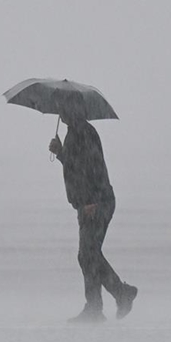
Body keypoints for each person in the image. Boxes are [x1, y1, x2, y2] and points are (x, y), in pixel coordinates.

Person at [48, 111, 138, 322]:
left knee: (88, 254)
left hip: (97, 203)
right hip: (87, 203)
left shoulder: (84, 132)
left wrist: (93, 200)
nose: (61, 112)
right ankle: (103, 303)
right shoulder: (74, 132)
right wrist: (61, 153)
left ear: (73, 107)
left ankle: (109, 300)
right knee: (87, 255)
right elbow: (76, 167)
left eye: (64, 107)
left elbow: (94, 167)